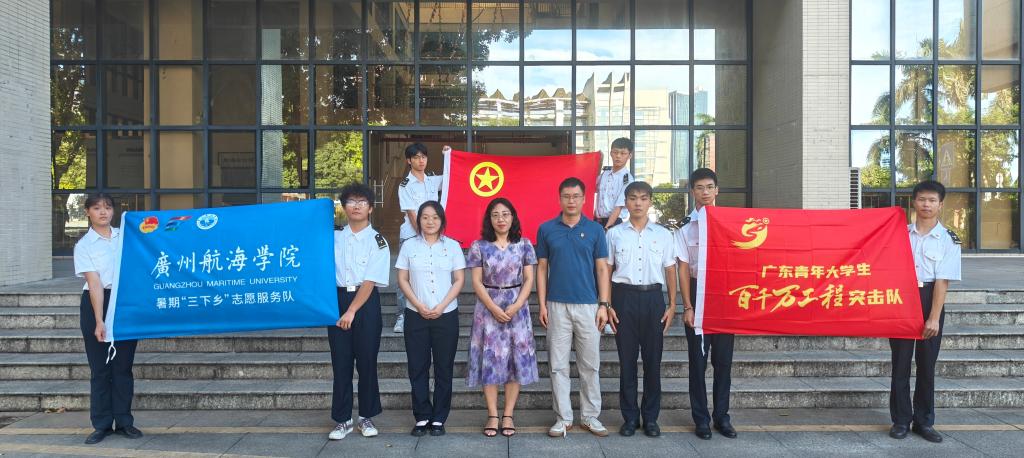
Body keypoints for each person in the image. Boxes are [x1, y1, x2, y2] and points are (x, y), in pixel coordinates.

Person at [536, 177, 612, 438]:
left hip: (589, 305)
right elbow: (542, 268)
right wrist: (542, 304)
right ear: (559, 199)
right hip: (556, 305)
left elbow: (602, 269)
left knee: (590, 365)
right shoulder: (546, 229)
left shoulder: (595, 230)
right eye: (566, 196)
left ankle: (590, 416)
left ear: (584, 199)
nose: (571, 201)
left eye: (576, 196)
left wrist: (604, 304)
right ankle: (563, 418)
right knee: (558, 365)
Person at [888, 179, 961, 443]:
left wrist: (934, 317)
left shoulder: (949, 239)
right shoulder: (898, 234)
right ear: (914, 202)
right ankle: (900, 420)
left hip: (930, 298)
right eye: (922, 199)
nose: (926, 205)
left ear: (940, 205)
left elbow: (942, 280)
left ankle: (924, 421)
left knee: (927, 365)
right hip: (902, 299)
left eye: (932, 200)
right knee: (900, 363)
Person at [603, 181, 677, 437]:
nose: (638, 203)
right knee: (627, 362)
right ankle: (630, 418)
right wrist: (607, 303)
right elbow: (606, 270)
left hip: (653, 300)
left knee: (653, 362)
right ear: (626, 202)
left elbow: (670, 269)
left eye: (643, 198)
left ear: (650, 201)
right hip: (623, 299)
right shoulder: (614, 234)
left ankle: (651, 418)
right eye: (633, 198)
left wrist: (673, 304)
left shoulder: (663, 234)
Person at [466, 198, 540, 438]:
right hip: (487, 309)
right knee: (490, 360)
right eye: (495, 214)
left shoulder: (524, 245)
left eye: (505, 214)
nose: (501, 219)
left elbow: (529, 279)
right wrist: (492, 307)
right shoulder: (479, 246)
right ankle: (492, 414)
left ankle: (508, 414)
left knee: (514, 362)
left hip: (517, 309)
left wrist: (517, 305)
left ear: (513, 217)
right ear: (489, 219)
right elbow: (476, 281)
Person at [74, 193, 142, 445]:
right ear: (87, 212)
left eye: (107, 207)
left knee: (123, 367)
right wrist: (99, 320)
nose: (103, 212)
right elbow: (94, 284)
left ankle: (124, 422)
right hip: (96, 302)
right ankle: (101, 424)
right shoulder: (84, 246)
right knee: (100, 369)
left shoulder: (126, 237)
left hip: (124, 303)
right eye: (96, 208)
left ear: (114, 211)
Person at [675, 168, 737, 440]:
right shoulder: (685, 227)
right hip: (697, 292)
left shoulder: (732, 224)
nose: (705, 192)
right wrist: (687, 306)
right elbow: (683, 268)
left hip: (724, 294)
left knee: (723, 362)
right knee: (697, 363)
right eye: (699, 187)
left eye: (709, 187)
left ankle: (722, 417)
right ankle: (701, 419)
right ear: (692, 192)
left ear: (717, 190)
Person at [396, 201, 466, 437]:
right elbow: (402, 279)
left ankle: (438, 418)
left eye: (435, 217)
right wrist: (418, 305)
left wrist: (441, 306)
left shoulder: (453, 246)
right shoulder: (409, 246)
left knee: (444, 367)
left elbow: (459, 280)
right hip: (416, 314)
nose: (430, 221)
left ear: (442, 220)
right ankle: (422, 415)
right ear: (418, 220)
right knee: (417, 367)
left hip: (446, 315)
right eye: (425, 217)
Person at [328, 183, 390, 441]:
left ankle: (366, 416)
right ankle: (342, 420)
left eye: (362, 202)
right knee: (341, 363)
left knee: (367, 363)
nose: (356, 206)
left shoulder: (378, 242)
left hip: (365, 304)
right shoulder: (332, 236)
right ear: (344, 207)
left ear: (371, 208)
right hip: (337, 300)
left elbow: (370, 280)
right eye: (351, 201)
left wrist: (352, 310)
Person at [395, 143, 445, 333]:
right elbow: (411, 214)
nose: (421, 160)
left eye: (423, 157)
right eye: (416, 157)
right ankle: (402, 315)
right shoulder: (405, 185)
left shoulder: (432, 180)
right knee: (405, 278)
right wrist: (424, 236)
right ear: (409, 161)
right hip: (411, 236)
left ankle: (434, 309)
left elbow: (453, 176)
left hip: (433, 237)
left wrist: (448, 156)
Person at [594, 137, 635, 229]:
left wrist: (607, 228)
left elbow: (618, 207)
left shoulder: (627, 179)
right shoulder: (605, 174)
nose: (618, 156)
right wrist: (599, 163)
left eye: (623, 153)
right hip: (598, 221)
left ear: (630, 155)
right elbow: (593, 187)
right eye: (615, 152)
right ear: (610, 153)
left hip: (614, 222)